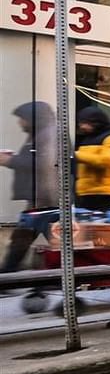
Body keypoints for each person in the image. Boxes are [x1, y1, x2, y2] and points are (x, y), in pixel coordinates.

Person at [1, 101, 57, 274]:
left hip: (46, 196)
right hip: (40, 195)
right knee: (25, 235)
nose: (20, 123)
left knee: (27, 235)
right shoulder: (39, 134)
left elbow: (46, 164)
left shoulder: (48, 135)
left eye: (22, 119)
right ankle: (10, 270)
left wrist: (10, 160)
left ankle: (10, 272)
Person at [74, 106, 110, 212]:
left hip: (108, 192)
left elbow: (108, 160)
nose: (82, 126)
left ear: (97, 122)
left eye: (85, 123)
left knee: (105, 224)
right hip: (90, 191)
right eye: (80, 122)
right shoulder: (89, 138)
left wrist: (76, 155)